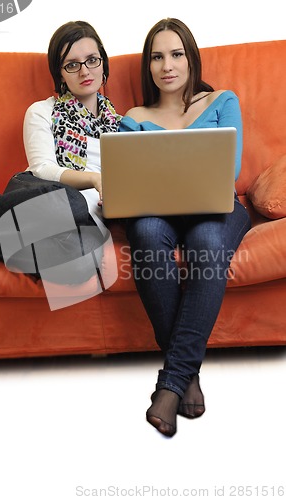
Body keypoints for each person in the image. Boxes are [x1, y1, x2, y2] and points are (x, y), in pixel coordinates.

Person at [120, 18, 251, 437]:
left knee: (208, 240)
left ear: (191, 58)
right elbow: (131, 180)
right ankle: (186, 377)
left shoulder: (222, 101)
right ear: (148, 66)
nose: (167, 65)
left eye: (176, 54)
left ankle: (172, 383)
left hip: (216, 208)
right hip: (157, 210)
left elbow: (227, 171)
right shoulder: (135, 117)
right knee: (143, 232)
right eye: (157, 57)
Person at [0, 21, 121, 276]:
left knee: (86, 260)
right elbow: (43, 168)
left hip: (83, 221)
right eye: (72, 64)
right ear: (60, 73)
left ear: (103, 63)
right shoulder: (42, 111)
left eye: (92, 60)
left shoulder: (120, 125)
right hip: (37, 195)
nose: (85, 71)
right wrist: (94, 179)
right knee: (72, 202)